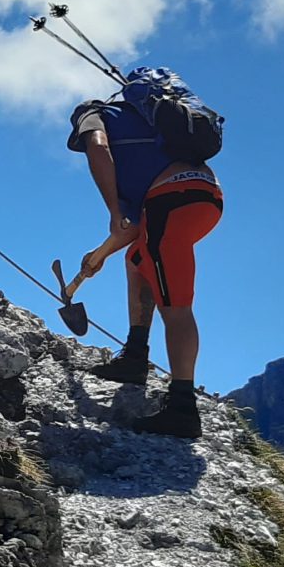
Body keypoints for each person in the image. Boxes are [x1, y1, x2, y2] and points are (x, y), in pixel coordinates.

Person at [68, 81, 223, 439]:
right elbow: (133, 228)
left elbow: (97, 146)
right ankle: (136, 355)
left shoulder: (93, 114)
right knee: (140, 258)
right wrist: (100, 255)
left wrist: (110, 207)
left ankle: (183, 408)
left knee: (177, 305)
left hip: (171, 200)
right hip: (200, 197)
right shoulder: (153, 127)